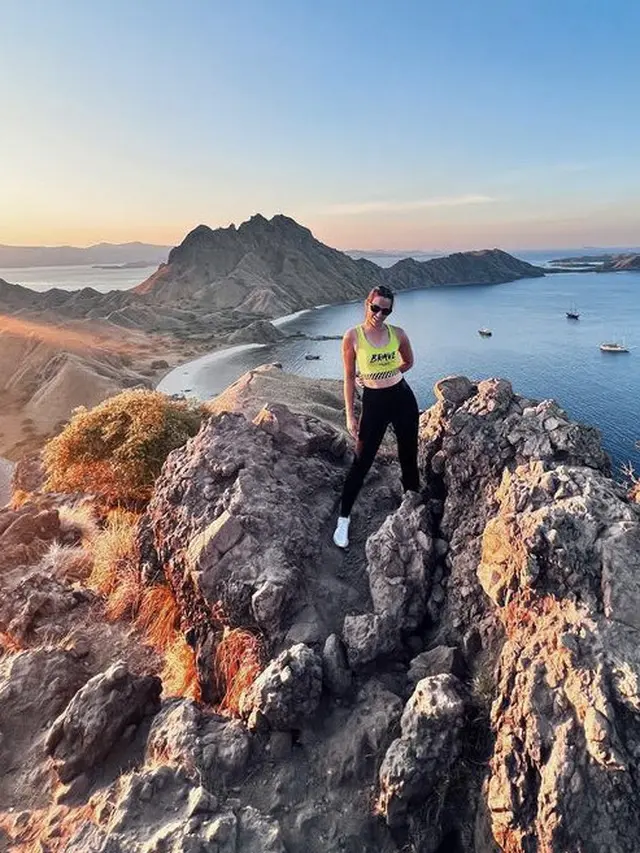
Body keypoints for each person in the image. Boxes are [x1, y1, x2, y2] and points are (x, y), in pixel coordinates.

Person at [333, 284, 420, 548]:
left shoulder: (399, 334)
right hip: (373, 403)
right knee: (361, 461)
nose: (380, 314)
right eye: (376, 308)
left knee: (409, 454)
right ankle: (343, 520)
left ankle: (412, 503)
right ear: (367, 304)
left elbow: (408, 363)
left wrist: (383, 373)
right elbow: (349, 378)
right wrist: (350, 414)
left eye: (386, 310)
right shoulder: (353, 337)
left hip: (402, 398)